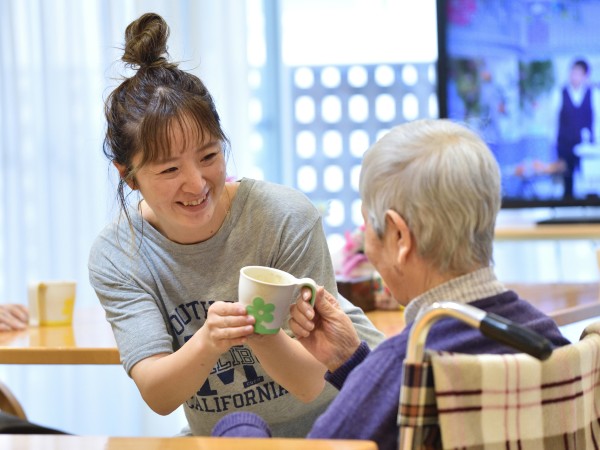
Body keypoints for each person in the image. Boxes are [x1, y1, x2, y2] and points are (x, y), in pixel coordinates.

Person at [87, 12, 384, 438]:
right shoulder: (119, 254)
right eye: (169, 169)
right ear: (128, 175)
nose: (197, 184)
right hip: (227, 438)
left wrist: (259, 334)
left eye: (209, 157)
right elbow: (159, 392)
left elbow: (310, 381)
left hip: (339, 426)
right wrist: (208, 341)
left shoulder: (283, 217)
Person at [211, 118, 571, 450]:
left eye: (367, 223)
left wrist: (238, 427)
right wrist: (353, 363)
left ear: (398, 236)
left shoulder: (403, 366)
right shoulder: (552, 344)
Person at [556, 59, 595, 199]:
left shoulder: (593, 94)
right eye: (573, 72)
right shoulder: (560, 93)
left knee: (590, 182)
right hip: (565, 146)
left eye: (578, 73)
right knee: (567, 183)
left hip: (587, 148)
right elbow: (554, 123)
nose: (574, 76)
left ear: (585, 76)